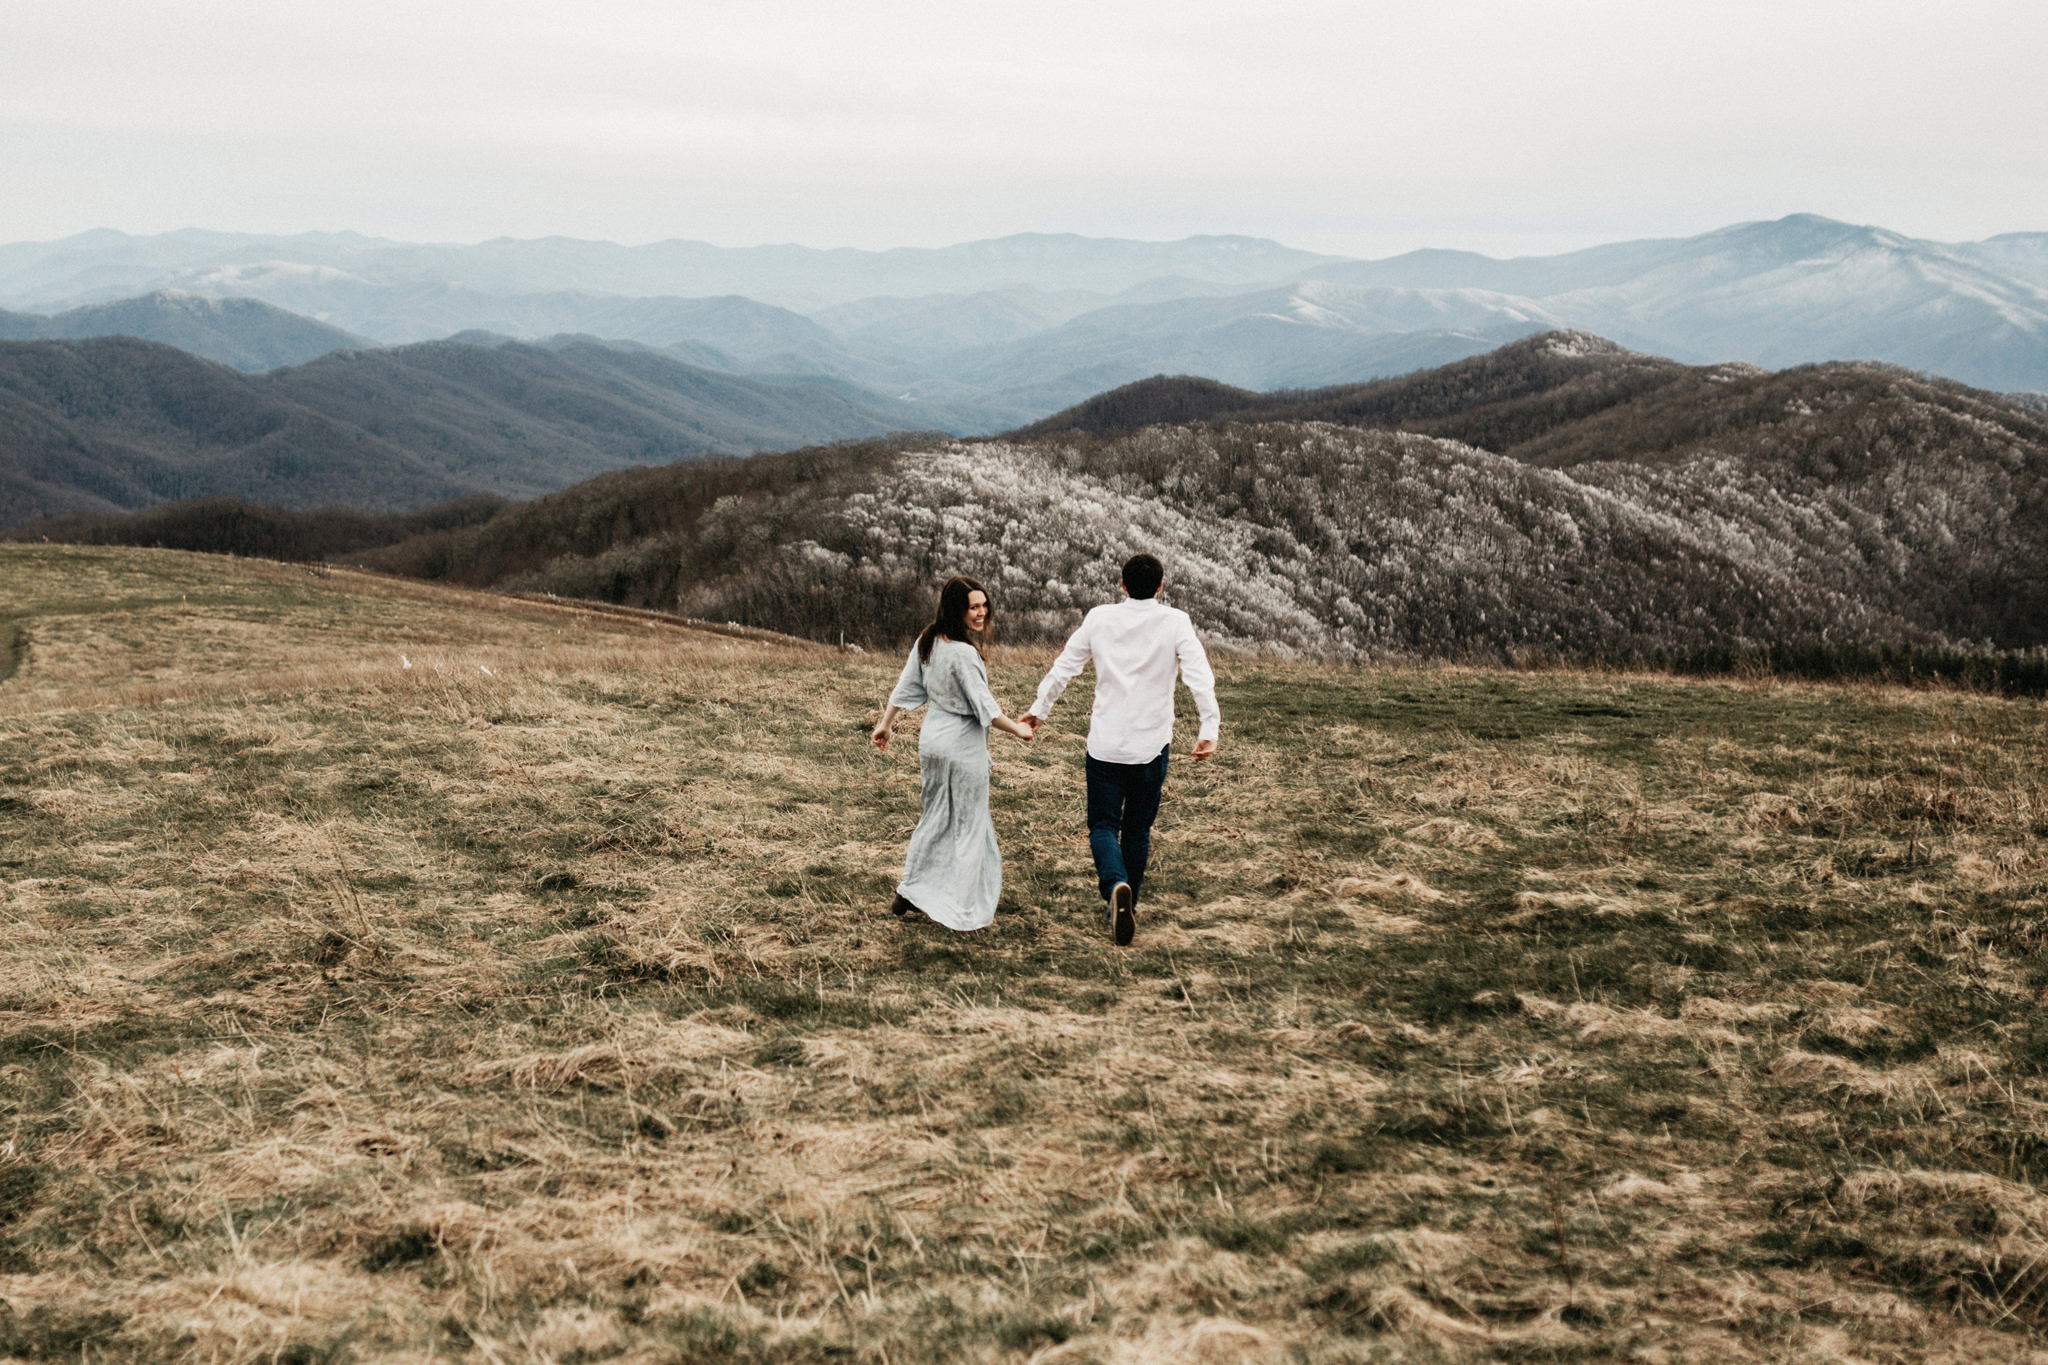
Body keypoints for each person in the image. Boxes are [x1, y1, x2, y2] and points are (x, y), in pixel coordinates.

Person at [1020, 553, 1218, 945]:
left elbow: (1065, 667)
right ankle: (1123, 906)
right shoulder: (1175, 622)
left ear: (1122, 585)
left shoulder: (1099, 618)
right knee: (1138, 830)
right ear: (1161, 587)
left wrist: (1038, 710)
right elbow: (1199, 676)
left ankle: (1115, 887)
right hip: (1151, 744)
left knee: (1103, 826)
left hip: (1106, 743)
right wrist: (1208, 726)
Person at [872, 576, 1034, 931]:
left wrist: (886, 724)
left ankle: (910, 890)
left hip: (932, 741)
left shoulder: (928, 639)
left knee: (935, 816)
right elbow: (985, 708)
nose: (981, 612)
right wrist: (1019, 729)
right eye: (973, 606)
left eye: (983, 605)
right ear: (956, 609)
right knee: (969, 824)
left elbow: (905, 685)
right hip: (961, 746)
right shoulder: (964, 653)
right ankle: (961, 909)